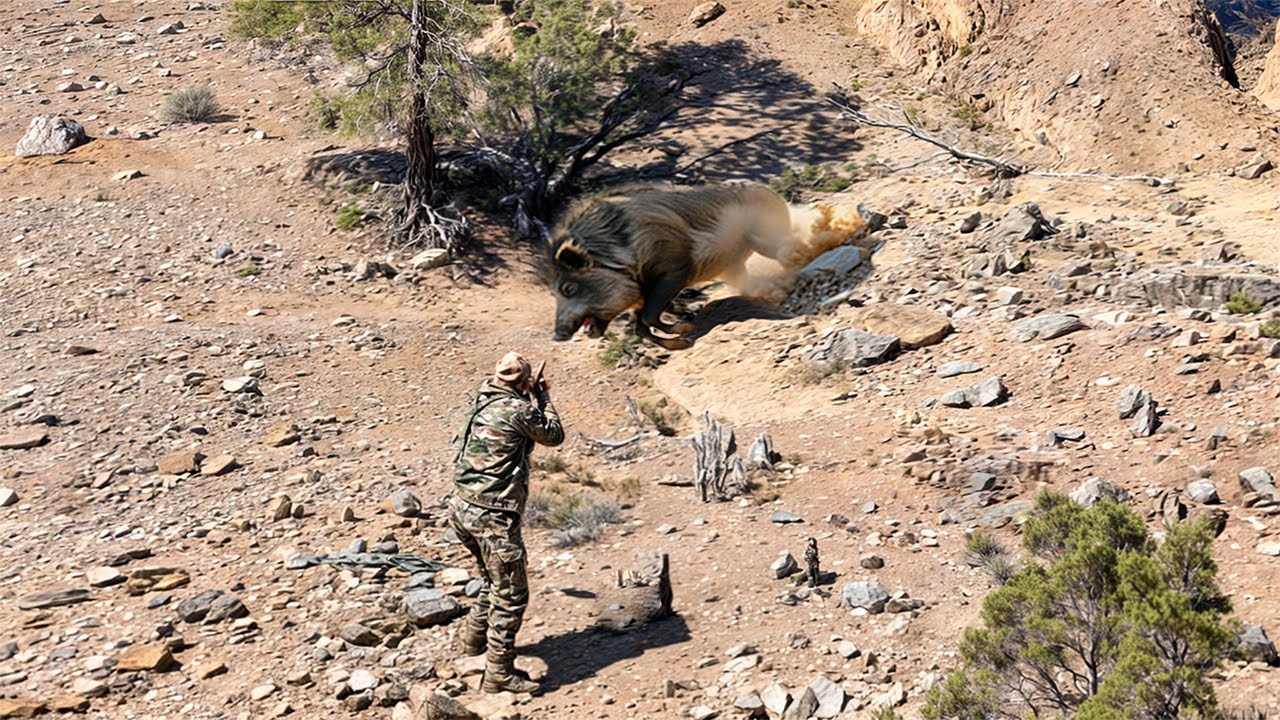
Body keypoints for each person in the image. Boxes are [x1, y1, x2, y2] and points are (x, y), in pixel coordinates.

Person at [450, 352, 564, 694]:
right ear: (524, 382)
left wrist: (527, 389)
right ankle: (499, 672)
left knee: (490, 578)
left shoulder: (482, 398)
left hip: (461, 507)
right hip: (492, 515)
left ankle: (471, 640)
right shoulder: (520, 410)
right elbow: (554, 435)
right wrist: (542, 395)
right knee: (512, 594)